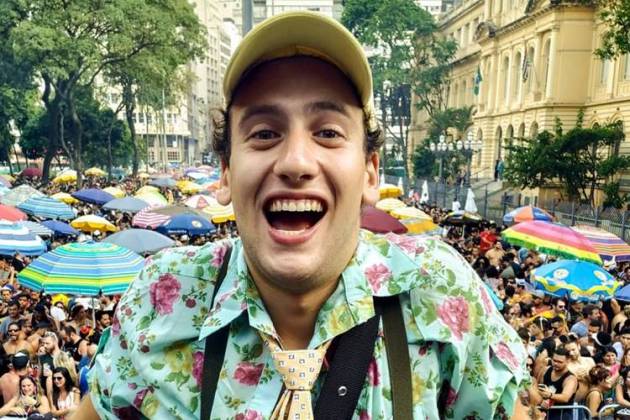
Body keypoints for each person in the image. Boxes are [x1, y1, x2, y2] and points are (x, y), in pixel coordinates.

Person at [77, 11, 529, 419]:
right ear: (226, 173)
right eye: (264, 133)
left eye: (328, 132)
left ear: (370, 173)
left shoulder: (441, 290)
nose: (295, 162)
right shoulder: (161, 298)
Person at [535, 347, 578, 420]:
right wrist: (540, 401)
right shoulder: (545, 370)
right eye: (554, 360)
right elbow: (537, 388)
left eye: (560, 362)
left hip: (561, 415)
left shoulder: (570, 379)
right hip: (543, 413)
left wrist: (550, 395)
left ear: (568, 361)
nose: (555, 363)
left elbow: (565, 397)